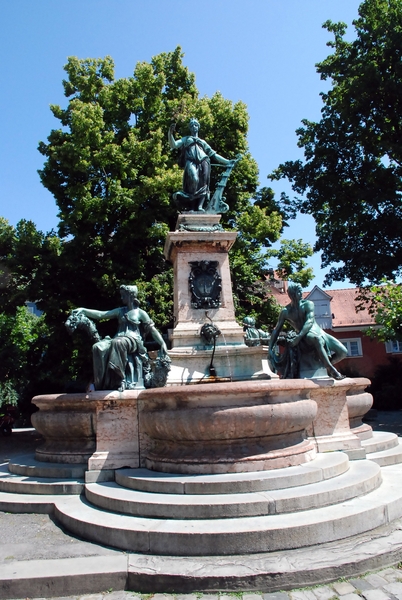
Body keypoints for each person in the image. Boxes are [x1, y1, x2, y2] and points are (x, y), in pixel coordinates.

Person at [74, 285, 168, 391]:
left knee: (118, 343)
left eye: (123, 295)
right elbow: (101, 315)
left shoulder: (141, 313)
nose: (122, 298)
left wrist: (162, 343)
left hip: (133, 341)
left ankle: (120, 379)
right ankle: (101, 384)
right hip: (118, 338)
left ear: (130, 296)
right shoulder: (120, 311)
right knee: (98, 347)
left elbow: (152, 330)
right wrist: (84, 310)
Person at [269, 282, 347, 380]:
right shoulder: (286, 311)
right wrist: (270, 347)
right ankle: (330, 369)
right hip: (307, 334)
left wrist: (298, 337)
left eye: (301, 291)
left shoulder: (308, 304)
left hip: (318, 331)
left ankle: (323, 365)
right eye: (299, 292)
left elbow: (309, 321)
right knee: (317, 339)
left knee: (343, 352)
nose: (301, 294)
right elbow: (276, 330)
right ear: (292, 294)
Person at [168, 118, 235, 211]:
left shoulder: (202, 142)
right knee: (193, 180)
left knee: (204, 184)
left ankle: (200, 206)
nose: (193, 127)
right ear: (190, 128)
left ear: (198, 127)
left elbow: (214, 155)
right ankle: (191, 205)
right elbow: (174, 145)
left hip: (204, 162)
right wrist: (170, 133)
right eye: (191, 125)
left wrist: (227, 162)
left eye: (195, 125)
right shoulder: (186, 139)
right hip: (191, 161)